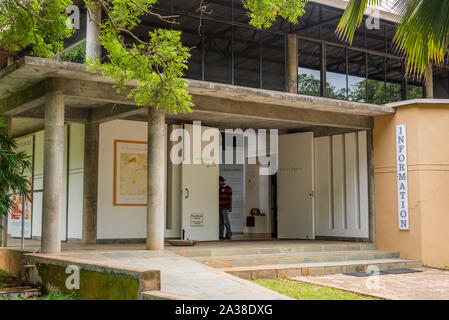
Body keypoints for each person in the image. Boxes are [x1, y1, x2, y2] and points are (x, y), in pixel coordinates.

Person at [219, 176, 232, 240]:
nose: (218, 183)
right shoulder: (219, 188)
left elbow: (230, 198)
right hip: (219, 208)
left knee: (226, 222)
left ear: (222, 181)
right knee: (220, 222)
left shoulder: (228, 188)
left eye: (219, 182)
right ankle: (220, 235)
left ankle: (228, 235)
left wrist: (230, 207)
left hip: (225, 208)